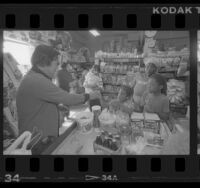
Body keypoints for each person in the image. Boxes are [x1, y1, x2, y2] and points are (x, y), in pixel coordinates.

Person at [16, 45, 100, 138]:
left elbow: (39, 103)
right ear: (45, 62)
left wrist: (57, 108)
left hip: (39, 136)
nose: (57, 67)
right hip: (34, 140)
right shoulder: (36, 80)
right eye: (56, 63)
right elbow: (67, 98)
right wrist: (89, 96)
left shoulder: (35, 77)